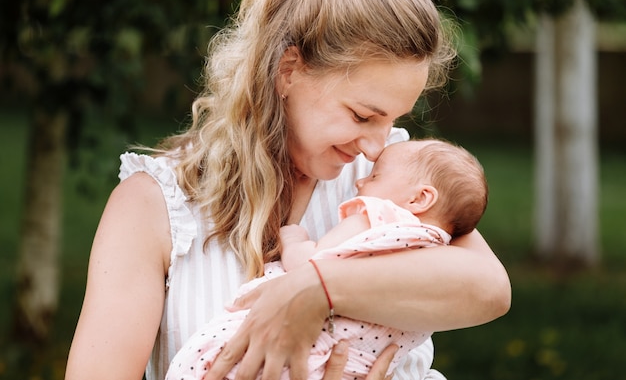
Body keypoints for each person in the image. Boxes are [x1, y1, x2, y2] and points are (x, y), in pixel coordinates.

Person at [65, 0, 511, 379]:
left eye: (393, 119)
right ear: (288, 71)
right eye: (361, 115)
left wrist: (315, 289)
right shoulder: (155, 206)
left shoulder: (390, 183)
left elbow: (489, 289)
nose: (377, 146)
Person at [164, 138, 489, 380]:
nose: (362, 180)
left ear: (420, 197)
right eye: (361, 114)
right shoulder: (438, 245)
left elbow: (314, 262)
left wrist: (294, 240)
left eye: (374, 177)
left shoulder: (380, 215)